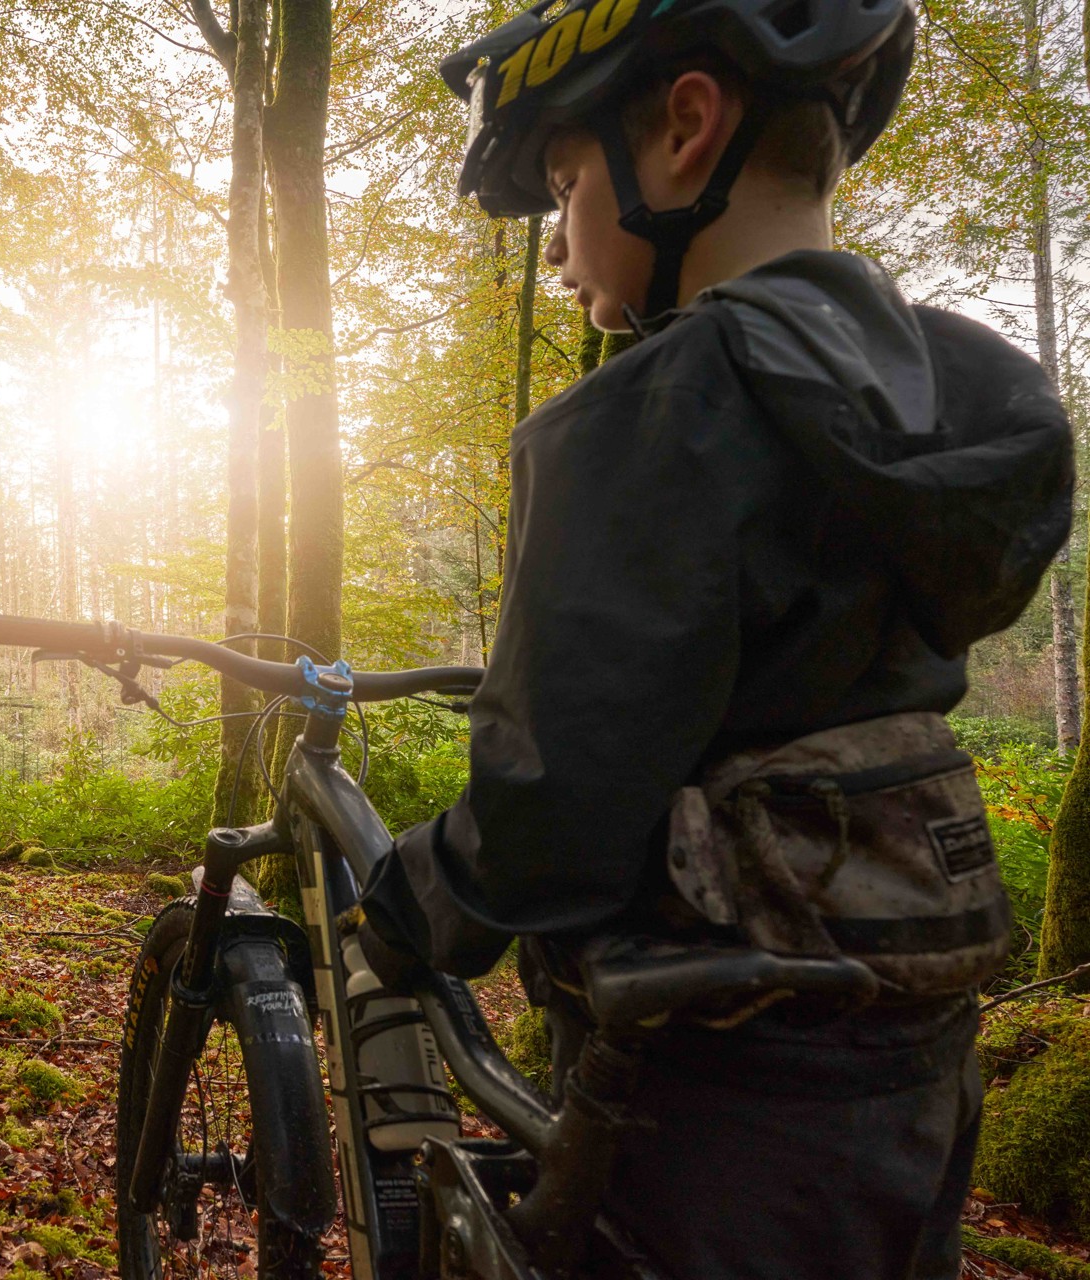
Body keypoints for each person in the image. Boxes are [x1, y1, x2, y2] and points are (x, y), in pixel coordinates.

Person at [356, 1, 1074, 1276]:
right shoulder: (953, 411)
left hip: (705, 1086)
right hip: (917, 1053)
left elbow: (552, 806)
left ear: (686, 128)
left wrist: (414, 900)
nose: (566, 256)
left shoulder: (653, 409)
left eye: (568, 185)